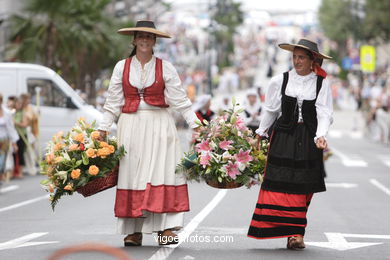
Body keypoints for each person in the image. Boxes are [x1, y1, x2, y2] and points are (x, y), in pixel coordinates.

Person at [97, 20, 199, 246]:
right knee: (132, 175)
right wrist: (102, 129)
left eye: (149, 37)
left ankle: (166, 229)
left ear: (154, 42)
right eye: (141, 36)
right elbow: (112, 102)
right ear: (134, 40)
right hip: (130, 126)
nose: (144, 40)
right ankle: (134, 231)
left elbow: (180, 100)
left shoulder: (166, 67)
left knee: (162, 174)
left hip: (160, 124)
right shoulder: (121, 67)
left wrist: (195, 124)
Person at [247, 39, 333, 249]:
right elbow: (271, 110)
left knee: (304, 187)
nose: (296, 61)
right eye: (294, 57)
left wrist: (320, 135)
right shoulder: (280, 80)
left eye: (301, 57)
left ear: (312, 59)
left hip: (309, 139)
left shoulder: (321, 83)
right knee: (279, 184)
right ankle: (292, 233)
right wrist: (260, 132)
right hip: (284, 138)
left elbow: (324, 112)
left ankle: (296, 231)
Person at [0, 94, 19, 186]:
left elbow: (11, 128)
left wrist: (14, 143)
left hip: (4, 140)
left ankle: (0, 176)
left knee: (2, 162)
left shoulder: (6, 113)